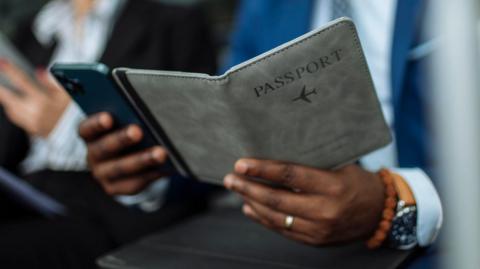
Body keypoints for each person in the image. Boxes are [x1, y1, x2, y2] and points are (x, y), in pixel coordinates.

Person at [221, 0, 442, 266]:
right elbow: (230, 117)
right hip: (293, 246)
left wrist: (397, 201)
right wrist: (170, 166)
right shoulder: (265, 6)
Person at [0, 0, 216, 268]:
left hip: (109, 213)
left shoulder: (174, 22)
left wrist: (64, 127)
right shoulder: (32, 30)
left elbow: (197, 148)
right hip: (27, 198)